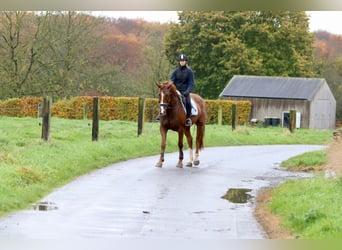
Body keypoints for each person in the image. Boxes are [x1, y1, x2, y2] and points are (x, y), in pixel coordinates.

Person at [170, 54, 194, 126]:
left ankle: (188, 119)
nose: (182, 62)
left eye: (183, 61)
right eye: (180, 61)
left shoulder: (189, 72)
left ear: (186, 62)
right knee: (165, 100)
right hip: (176, 91)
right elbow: (171, 81)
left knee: (188, 103)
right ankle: (160, 115)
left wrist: (187, 92)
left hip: (185, 92)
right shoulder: (175, 71)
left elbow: (191, 83)